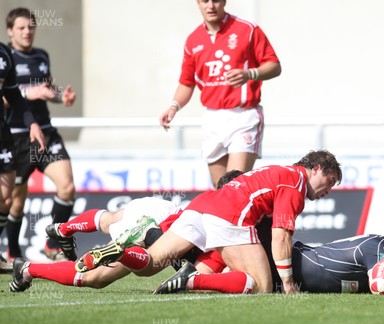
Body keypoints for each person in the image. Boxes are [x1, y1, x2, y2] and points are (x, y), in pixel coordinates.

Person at [75, 150, 342, 294]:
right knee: (261, 286)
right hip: (230, 216)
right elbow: (280, 235)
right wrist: (288, 284)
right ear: (316, 168)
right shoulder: (295, 182)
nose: (328, 189)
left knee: (150, 264)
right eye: (329, 181)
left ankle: (120, 249)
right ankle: (190, 282)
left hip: (202, 205)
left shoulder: (279, 171)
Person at [9, 172, 246, 293]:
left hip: (160, 212)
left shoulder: (212, 203)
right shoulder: (230, 222)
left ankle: (62, 230)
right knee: (96, 276)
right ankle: (30, 267)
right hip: (156, 229)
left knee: (110, 221)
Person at [159, 0, 282, 188]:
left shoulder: (247, 30)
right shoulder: (193, 40)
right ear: (197, 3)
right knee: (220, 192)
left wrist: (250, 73)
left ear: (224, 1)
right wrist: (174, 106)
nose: (211, 6)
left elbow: (274, 66)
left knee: (235, 186)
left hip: (244, 116)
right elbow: (187, 82)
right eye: (204, 1)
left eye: (215, 0)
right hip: (213, 119)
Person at [155, 217, 384, 295]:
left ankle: (189, 279)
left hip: (290, 273)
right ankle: (155, 242)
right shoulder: (381, 249)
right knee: (250, 282)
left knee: (249, 285)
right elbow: (381, 286)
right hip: (288, 261)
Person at [4, 8, 77, 260]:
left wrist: (60, 96)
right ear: (10, 31)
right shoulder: (5, 58)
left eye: (31, 27)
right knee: (15, 201)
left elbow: (46, 88)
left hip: (45, 132)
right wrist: (26, 94)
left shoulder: (41, 56)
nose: (27, 32)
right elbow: (8, 96)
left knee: (66, 187)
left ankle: (53, 245)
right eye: (21, 28)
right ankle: (12, 252)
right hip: (16, 136)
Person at [0, 39, 46, 262]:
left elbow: (13, 95)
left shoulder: (4, 54)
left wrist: (32, 123)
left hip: (3, 134)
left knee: (6, 200)